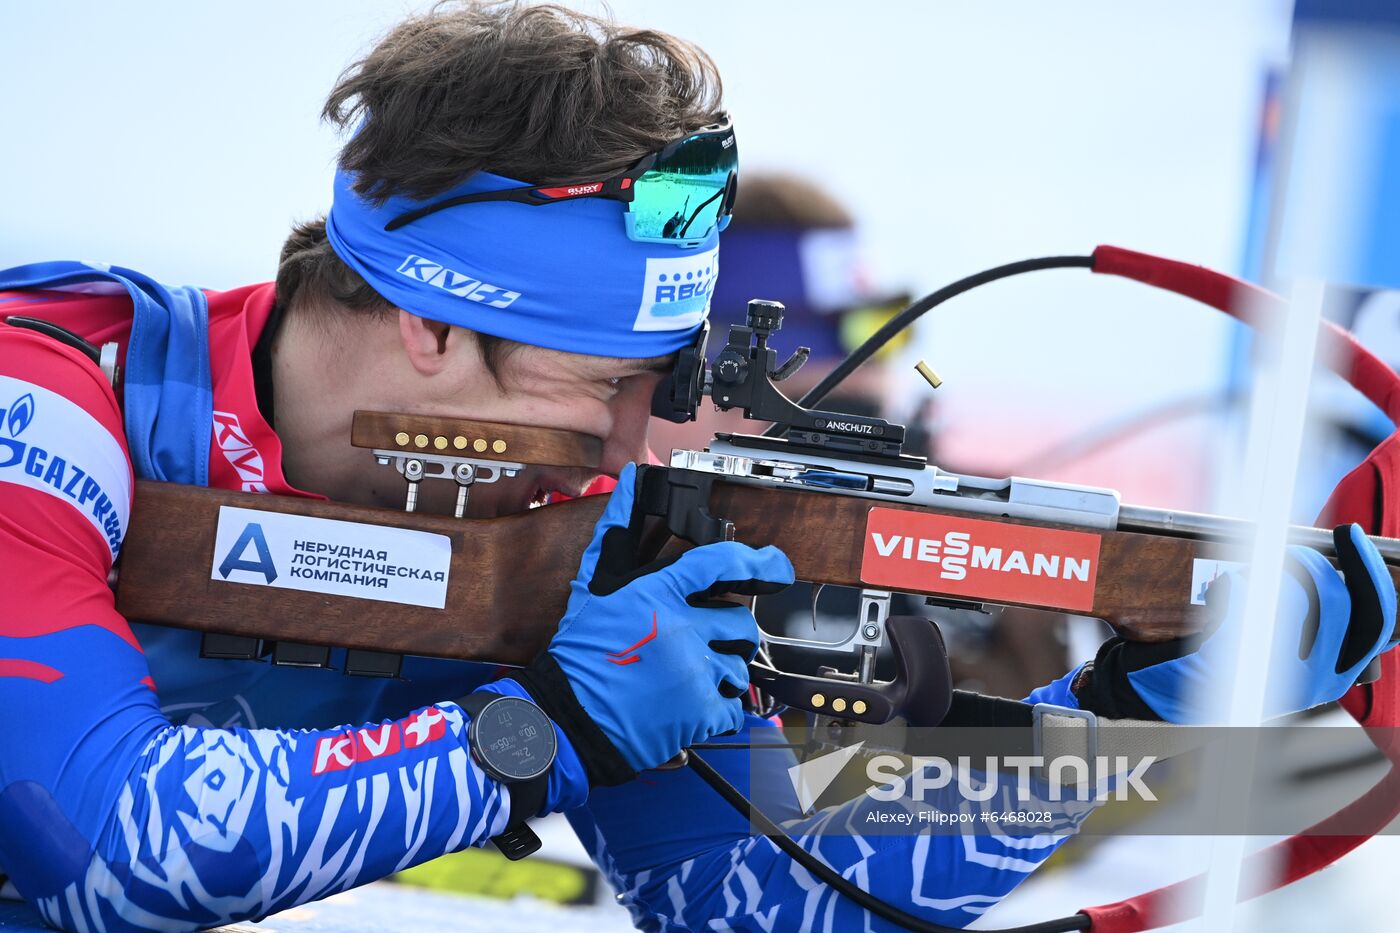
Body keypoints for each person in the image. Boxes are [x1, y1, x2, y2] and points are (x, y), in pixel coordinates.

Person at [0, 4, 1393, 931]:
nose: (636, 443)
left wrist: (1108, 727)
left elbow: (757, 898)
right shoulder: (50, 393)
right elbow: (111, 845)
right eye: (607, 385)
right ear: (427, 324)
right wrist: (550, 724)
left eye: (662, 386)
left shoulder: (570, 527)